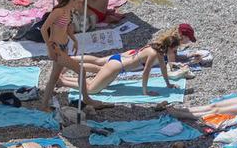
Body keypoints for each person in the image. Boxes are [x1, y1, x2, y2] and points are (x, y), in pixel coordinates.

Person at [58, 23, 194, 98]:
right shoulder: (155, 54)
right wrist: (145, 91)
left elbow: (164, 68)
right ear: (170, 46)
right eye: (175, 49)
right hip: (116, 67)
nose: (174, 51)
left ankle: (67, 69)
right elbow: (145, 73)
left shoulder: (157, 47)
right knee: (92, 90)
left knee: (95, 76)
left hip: (120, 60)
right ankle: (62, 81)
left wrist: (168, 84)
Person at [37, 0, 86, 109]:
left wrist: (74, 40)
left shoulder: (69, 11)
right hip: (56, 47)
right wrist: (49, 49)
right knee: (81, 71)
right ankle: (87, 99)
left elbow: (67, 29)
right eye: (79, 2)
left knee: (54, 77)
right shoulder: (58, 11)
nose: (81, 4)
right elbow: (43, 29)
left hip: (64, 46)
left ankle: (44, 105)